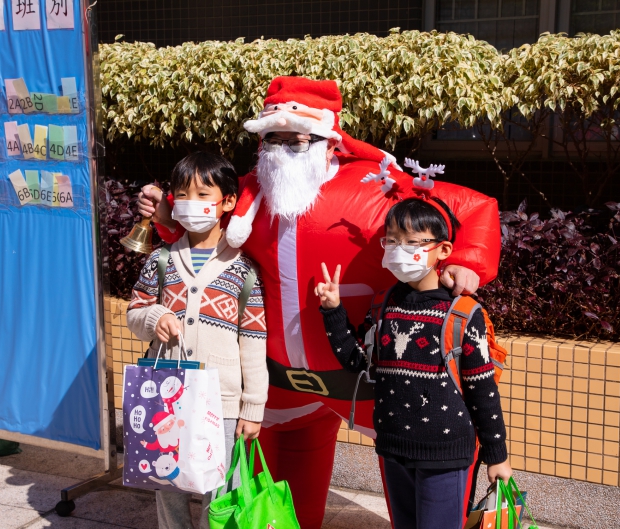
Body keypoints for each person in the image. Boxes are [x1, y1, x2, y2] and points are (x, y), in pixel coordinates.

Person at [135, 76, 502, 529]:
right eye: (273, 138)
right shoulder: (249, 196)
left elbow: (474, 207)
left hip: (374, 376)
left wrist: (467, 259)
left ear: (327, 140)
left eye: (297, 139)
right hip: (278, 380)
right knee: (272, 505)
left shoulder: (375, 186)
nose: (283, 148)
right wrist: (169, 217)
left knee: (425, 486)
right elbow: (204, 231)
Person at [315, 197, 512, 529]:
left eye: (411, 242)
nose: (398, 250)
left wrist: (497, 455)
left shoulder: (464, 313)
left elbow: (483, 391)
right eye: (392, 241)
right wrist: (332, 310)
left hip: (446, 455)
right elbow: (357, 361)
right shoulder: (383, 305)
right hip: (393, 449)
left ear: (443, 250)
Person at [126, 151, 268, 529]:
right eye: (183, 195)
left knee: (219, 495)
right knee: (166, 485)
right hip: (164, 395)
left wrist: (252, 408)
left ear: (228, 201)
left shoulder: (244, 270)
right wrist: (154, 317)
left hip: (222, 403)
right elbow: (135, 313)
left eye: (204, 195)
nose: (192, 203)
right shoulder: (161, 260)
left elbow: (254, 341)